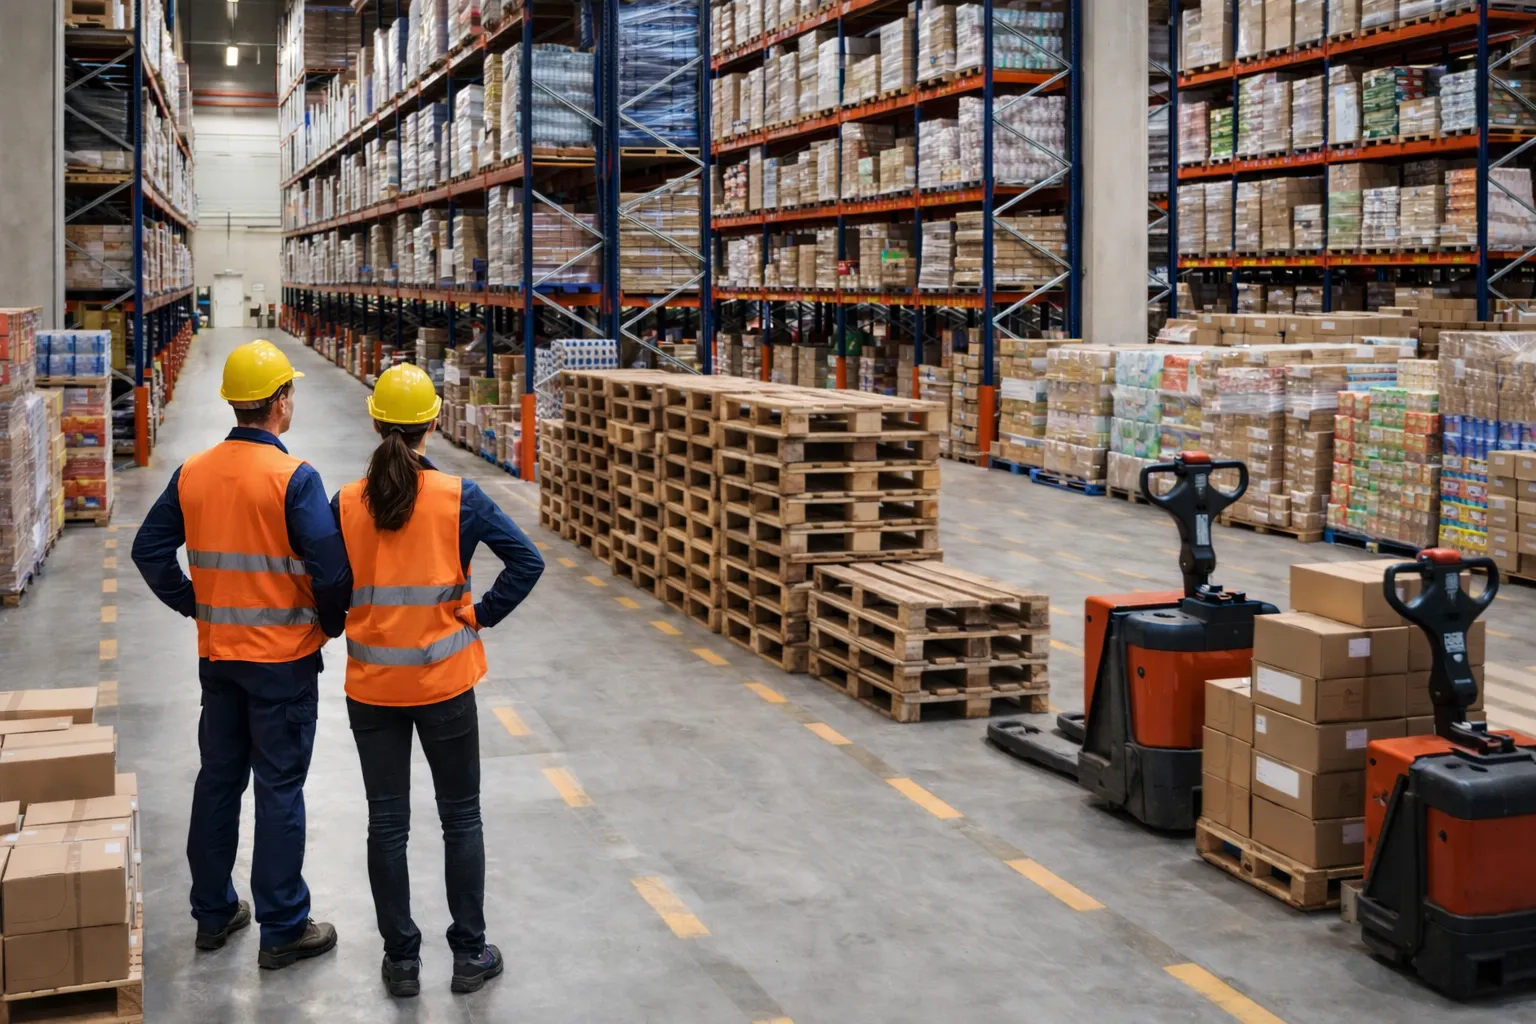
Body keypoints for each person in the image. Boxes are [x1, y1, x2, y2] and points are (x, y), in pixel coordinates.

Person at [132, 339, 348, 970]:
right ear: (281, 401)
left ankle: (214, 912)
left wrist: (196, 604)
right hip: (282, 662)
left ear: (234, 402)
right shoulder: (294, 478)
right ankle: (282, 927)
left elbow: (149, 551)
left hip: (219, 658)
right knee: (279, 787)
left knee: (219, 780)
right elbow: (332, 572)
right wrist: (328, 624)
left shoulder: (194, 471)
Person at [331, 363, 544, 997]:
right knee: (461, 818)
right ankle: (469, 955)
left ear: (375, 423)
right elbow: (526, 562)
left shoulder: (345, 502)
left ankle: (401, 963)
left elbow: (326, 583)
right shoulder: (460, 497)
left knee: (387, 824)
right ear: (434, 422)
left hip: (372, 689)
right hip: (446, 685)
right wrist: (478, 615)